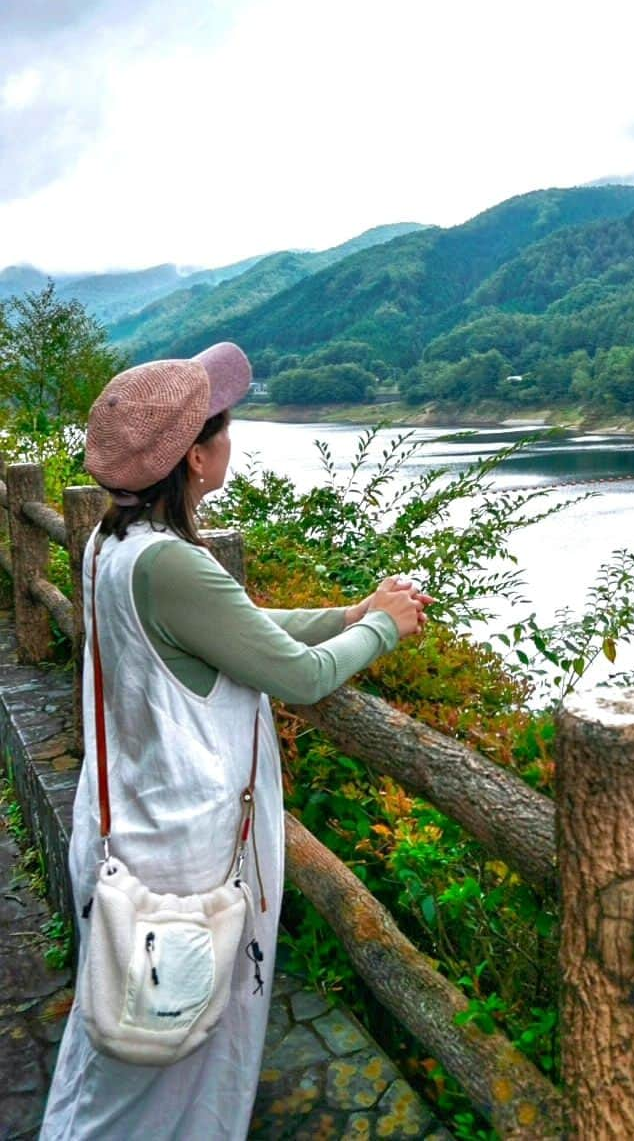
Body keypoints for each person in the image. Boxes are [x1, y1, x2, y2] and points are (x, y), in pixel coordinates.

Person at [40, 343, 430, 1141]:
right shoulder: (175, 567)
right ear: (193, 456)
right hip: (181, 863)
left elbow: (238, 634)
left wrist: (349, 614)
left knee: (126, 1055)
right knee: (150, 1073)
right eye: (221, 428)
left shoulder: (113, 545)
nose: (229, 439)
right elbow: (300, 678)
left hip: (136, 832)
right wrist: (385, 628)